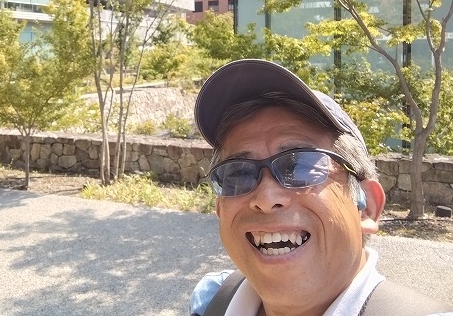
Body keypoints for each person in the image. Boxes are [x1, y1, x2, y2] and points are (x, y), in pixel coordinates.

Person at [190, 59, 453, 316]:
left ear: (366, 208)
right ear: (220, 210)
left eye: (300, 166)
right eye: (238, 173)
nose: (266, 198)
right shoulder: (211, 300)